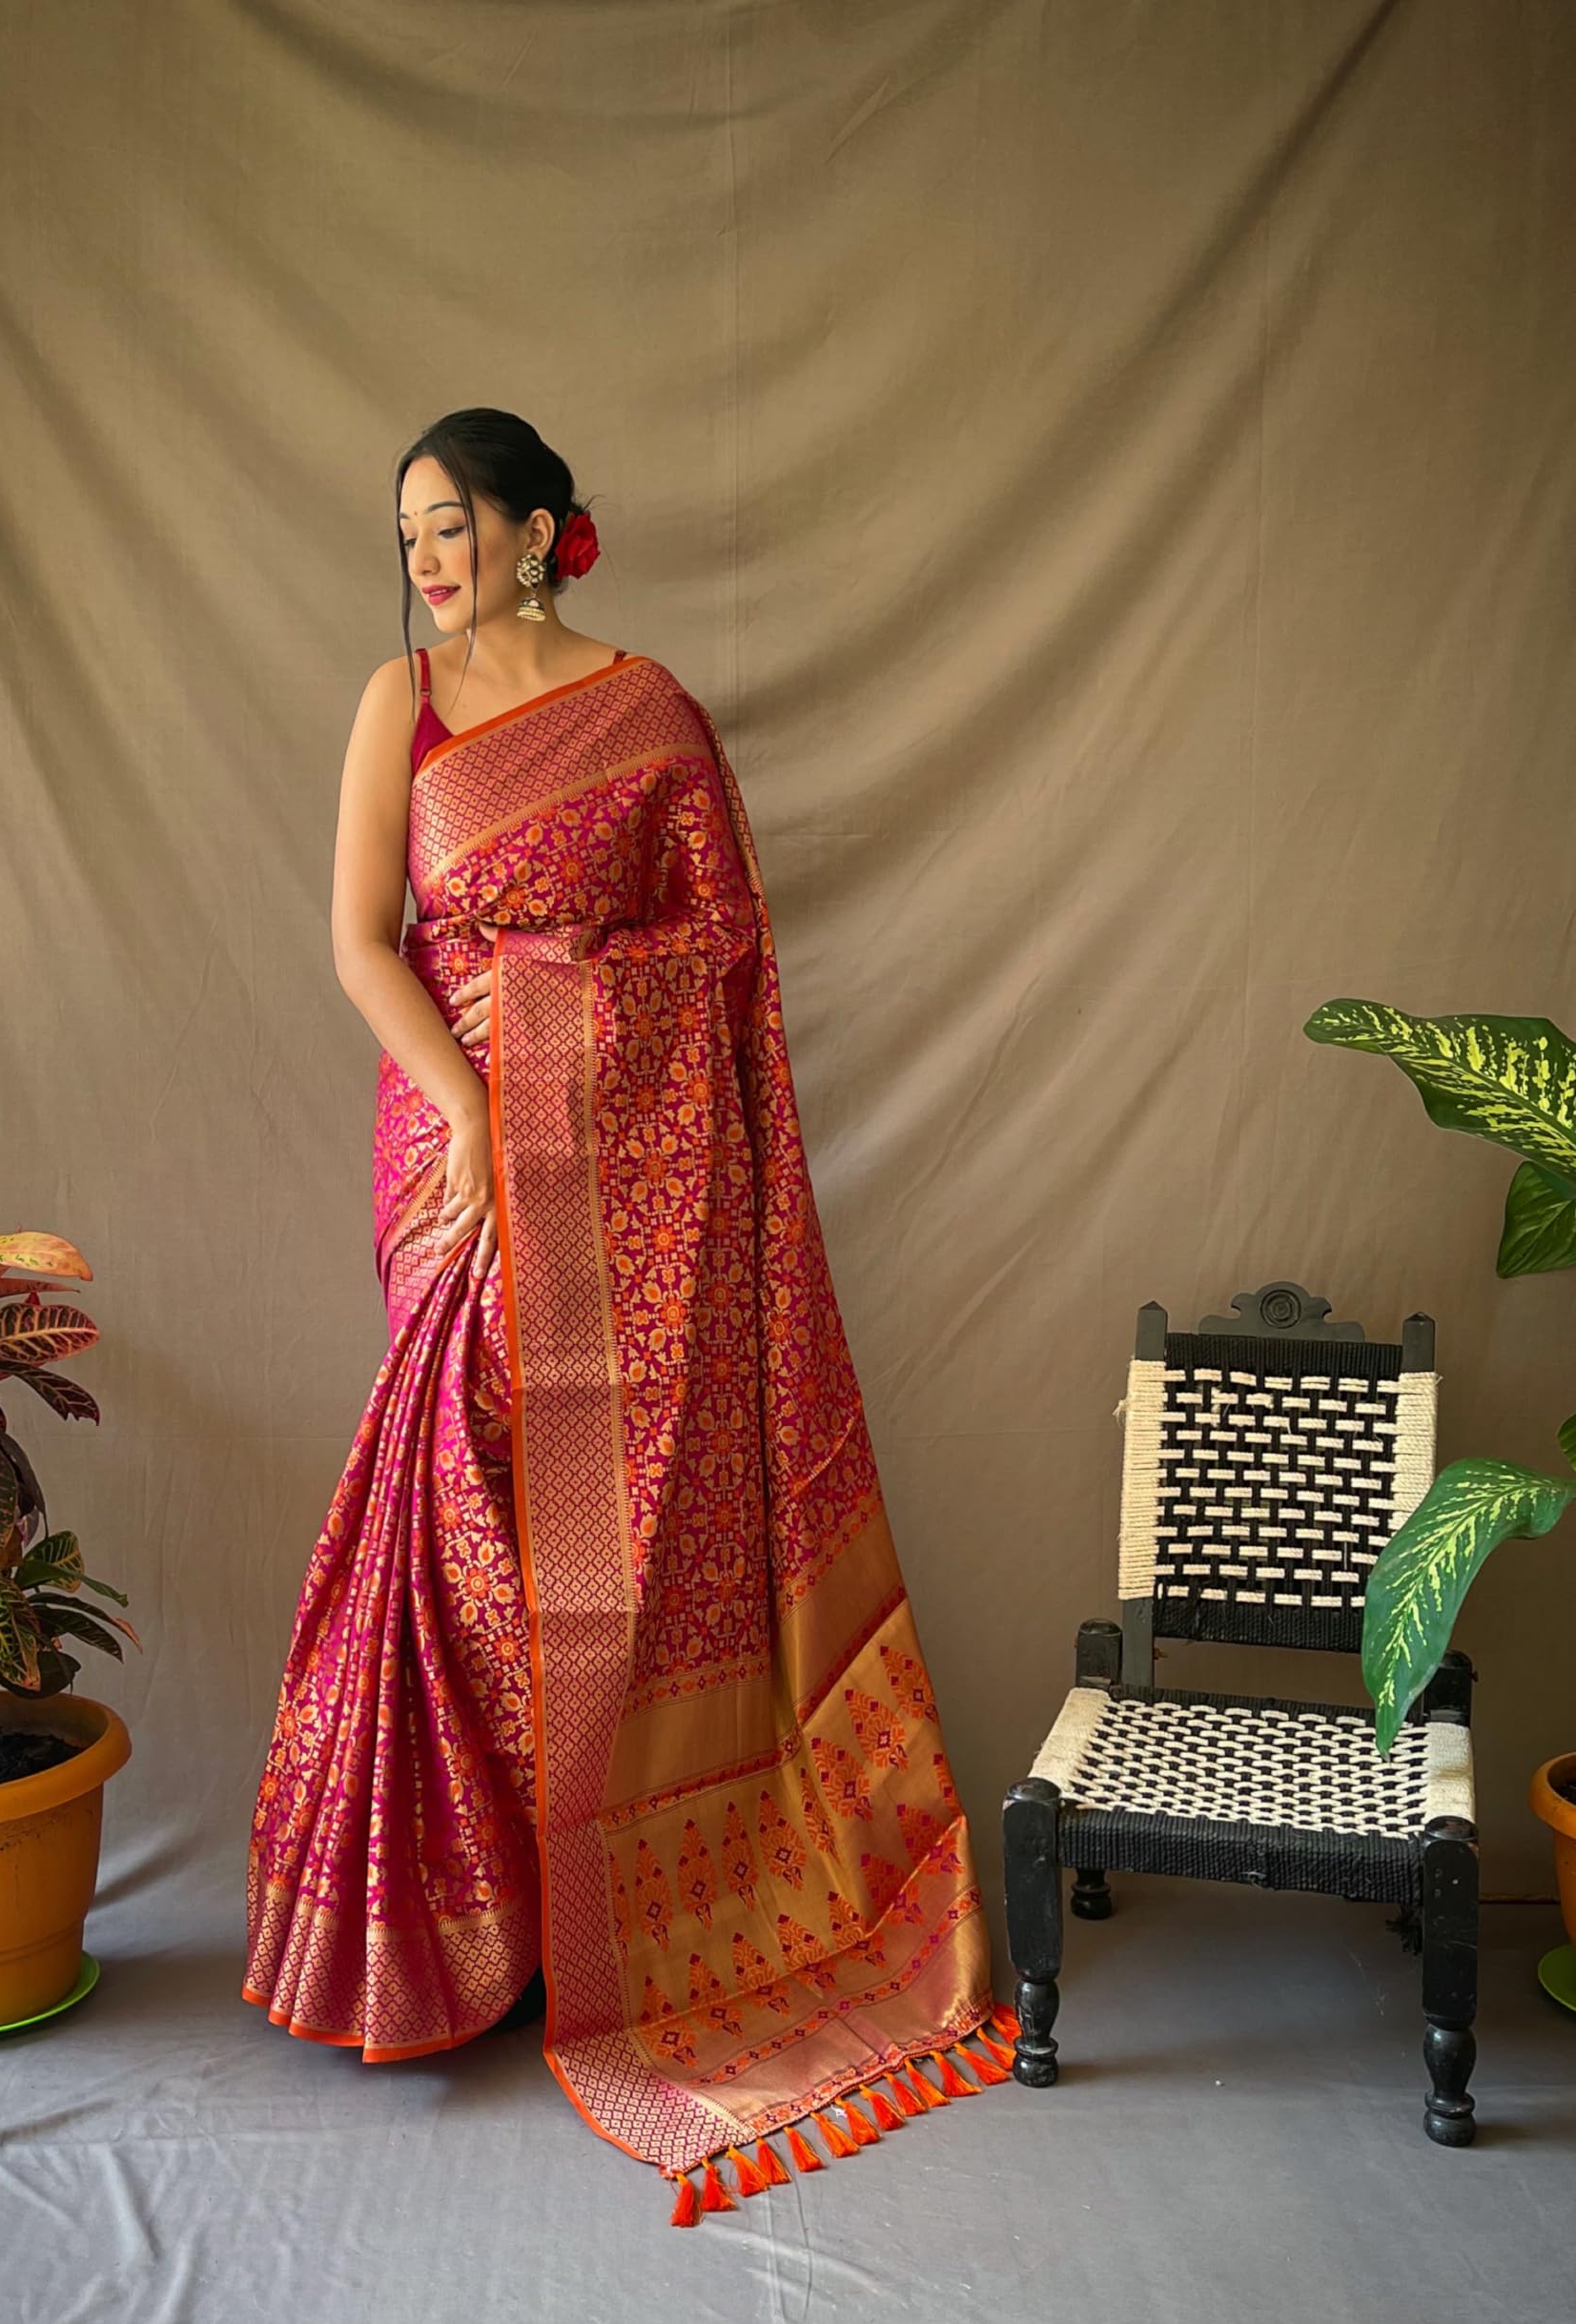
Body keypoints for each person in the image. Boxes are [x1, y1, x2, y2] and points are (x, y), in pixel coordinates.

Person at [242, 406, 1013, 2221]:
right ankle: (470, 1936)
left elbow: (725, 963)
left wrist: (579, 1028)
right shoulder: (398, 707)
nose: (424, 558)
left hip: (639, 1170)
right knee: (474, 1509)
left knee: (617, 1543)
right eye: (406, 532)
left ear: (537, 530)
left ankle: (587, 1926)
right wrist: (478, 1110)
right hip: (454, 1150)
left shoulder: (652, 713)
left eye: (450, 525)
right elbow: (365, 938)